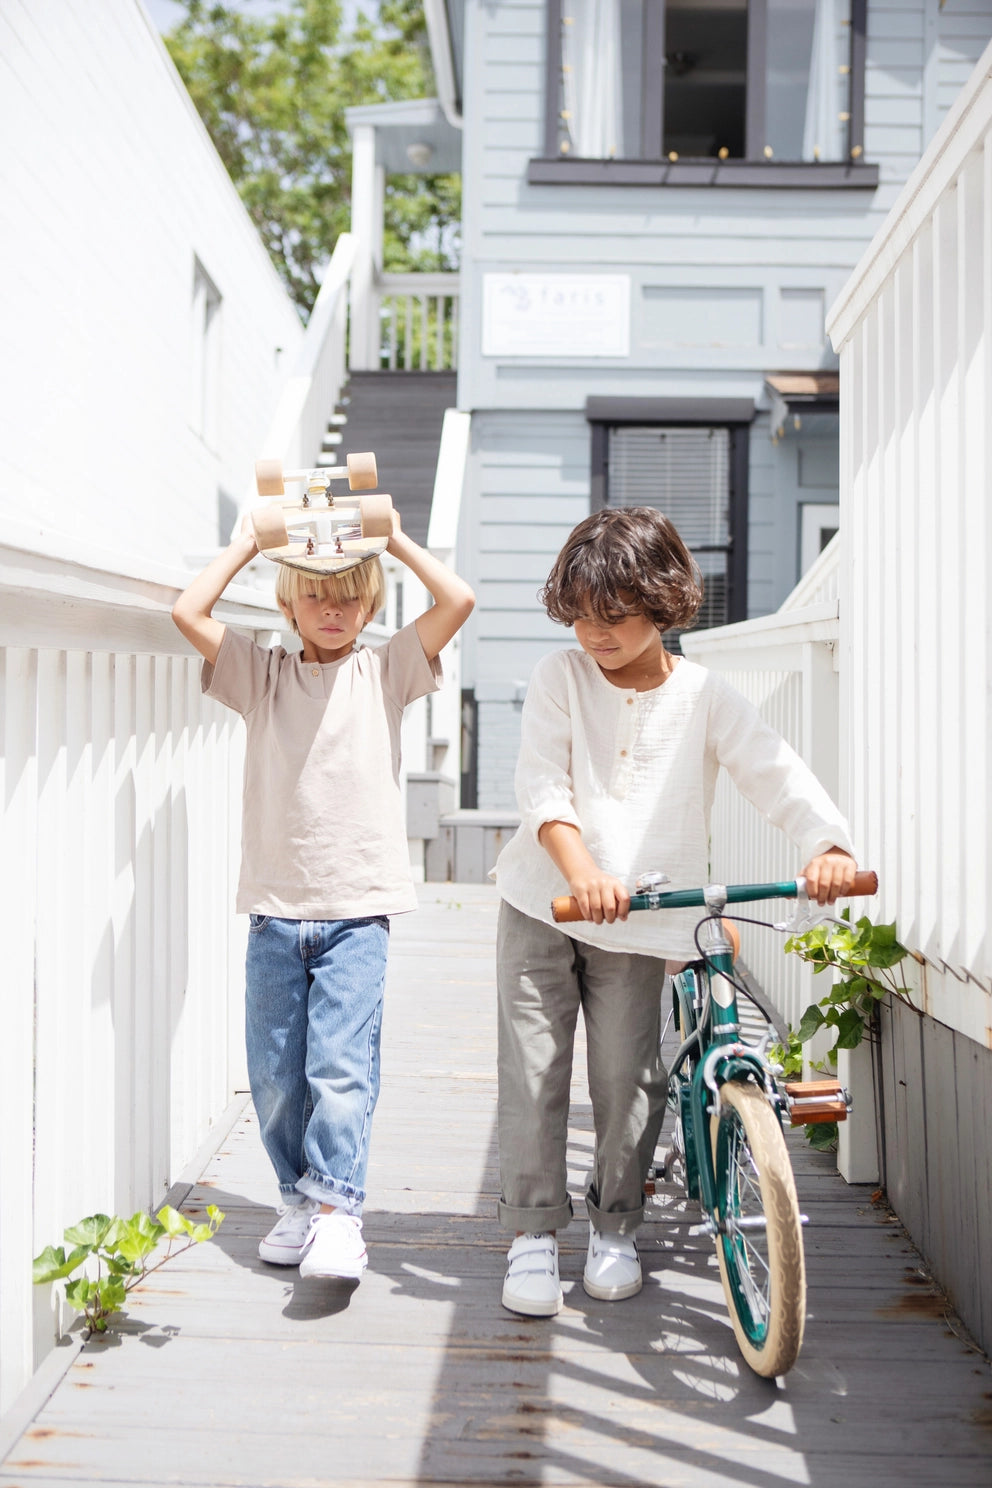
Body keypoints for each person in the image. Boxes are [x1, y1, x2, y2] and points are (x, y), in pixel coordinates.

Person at [493, 506, 857, 1317]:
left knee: (629, 1078)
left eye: (614, 616)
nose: (594, 634)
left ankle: (615, 1227)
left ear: (663, 605)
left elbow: (773, 769)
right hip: (544, 900)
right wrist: (583, 870)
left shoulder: (704, 696)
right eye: (581, 615)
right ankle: (532, 1233)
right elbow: (543, 786)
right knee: (534, 1068)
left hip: (643, 913)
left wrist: (826, 842)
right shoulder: (561, 676)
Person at [172, 512, 474, 1282]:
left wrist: (393, 539)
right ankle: (297, 1202)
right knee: (276, 1076)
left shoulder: (386, 671)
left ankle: (340, 1215)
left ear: (370, 606)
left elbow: (458, 600)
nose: (332, 610)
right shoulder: (263, 676)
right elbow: (188, 613)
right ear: (288, 605)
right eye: (315, 596)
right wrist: (250, 543)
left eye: (348, 597)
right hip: (275, 912)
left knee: (340, 1070)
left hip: (356, 915)